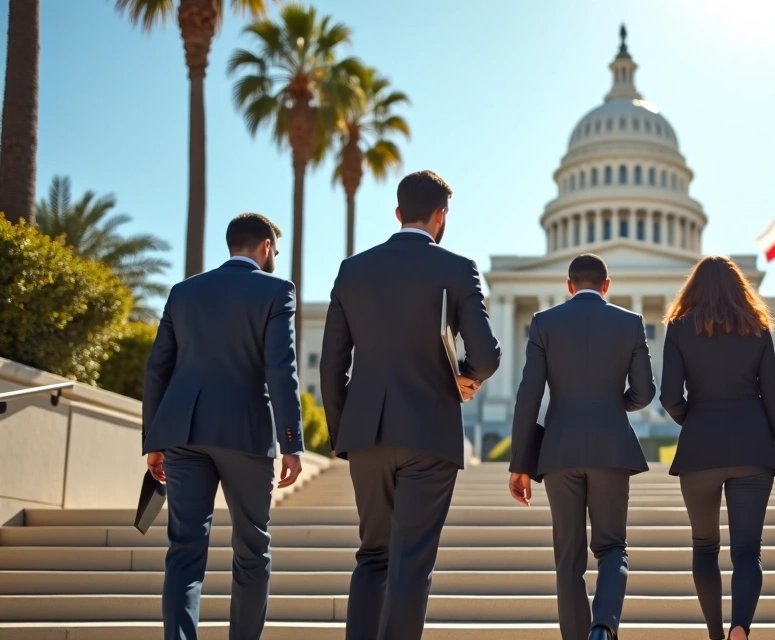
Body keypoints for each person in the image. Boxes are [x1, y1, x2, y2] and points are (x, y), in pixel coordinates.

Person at [319, 170, 501, 640]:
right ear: (441, 216)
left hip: (367, 435)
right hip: (430, 432)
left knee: (372, 557)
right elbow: (487, 355)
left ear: (398, 214)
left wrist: (345, 436)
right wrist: (464, 375)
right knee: (410, 564)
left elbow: (331, 367)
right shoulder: (458, 269)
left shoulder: (352, 270)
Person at [143, 213, 304, 640]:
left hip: (184, 433)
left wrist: (155, 440)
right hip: (245, 434)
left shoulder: (184, 292)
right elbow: (280, 369)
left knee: (183, 552)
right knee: (252, 550)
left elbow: (157, 368)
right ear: (266, 247)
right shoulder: (276, 290)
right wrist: (291, 442)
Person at [508, 253, 655, 640]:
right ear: (607, 287)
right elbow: (644, 392)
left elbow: (529, 396)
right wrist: (612, 403)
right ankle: (603, 628)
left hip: (559, 452)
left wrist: (520, 462)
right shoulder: (631, 323)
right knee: (612, 548)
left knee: (568, 559)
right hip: (611, 448)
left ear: (569, 286)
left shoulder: (544, 323)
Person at [659, 255, 775, 640]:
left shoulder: (678, 328)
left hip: (699, 451)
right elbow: (774, 398)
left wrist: (695, 419)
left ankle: (716, 634)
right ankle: (741, 627)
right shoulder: (757, 328)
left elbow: (670, 396)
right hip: (753, 449)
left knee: (704, 547)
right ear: (740, 289)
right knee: (747, 552)